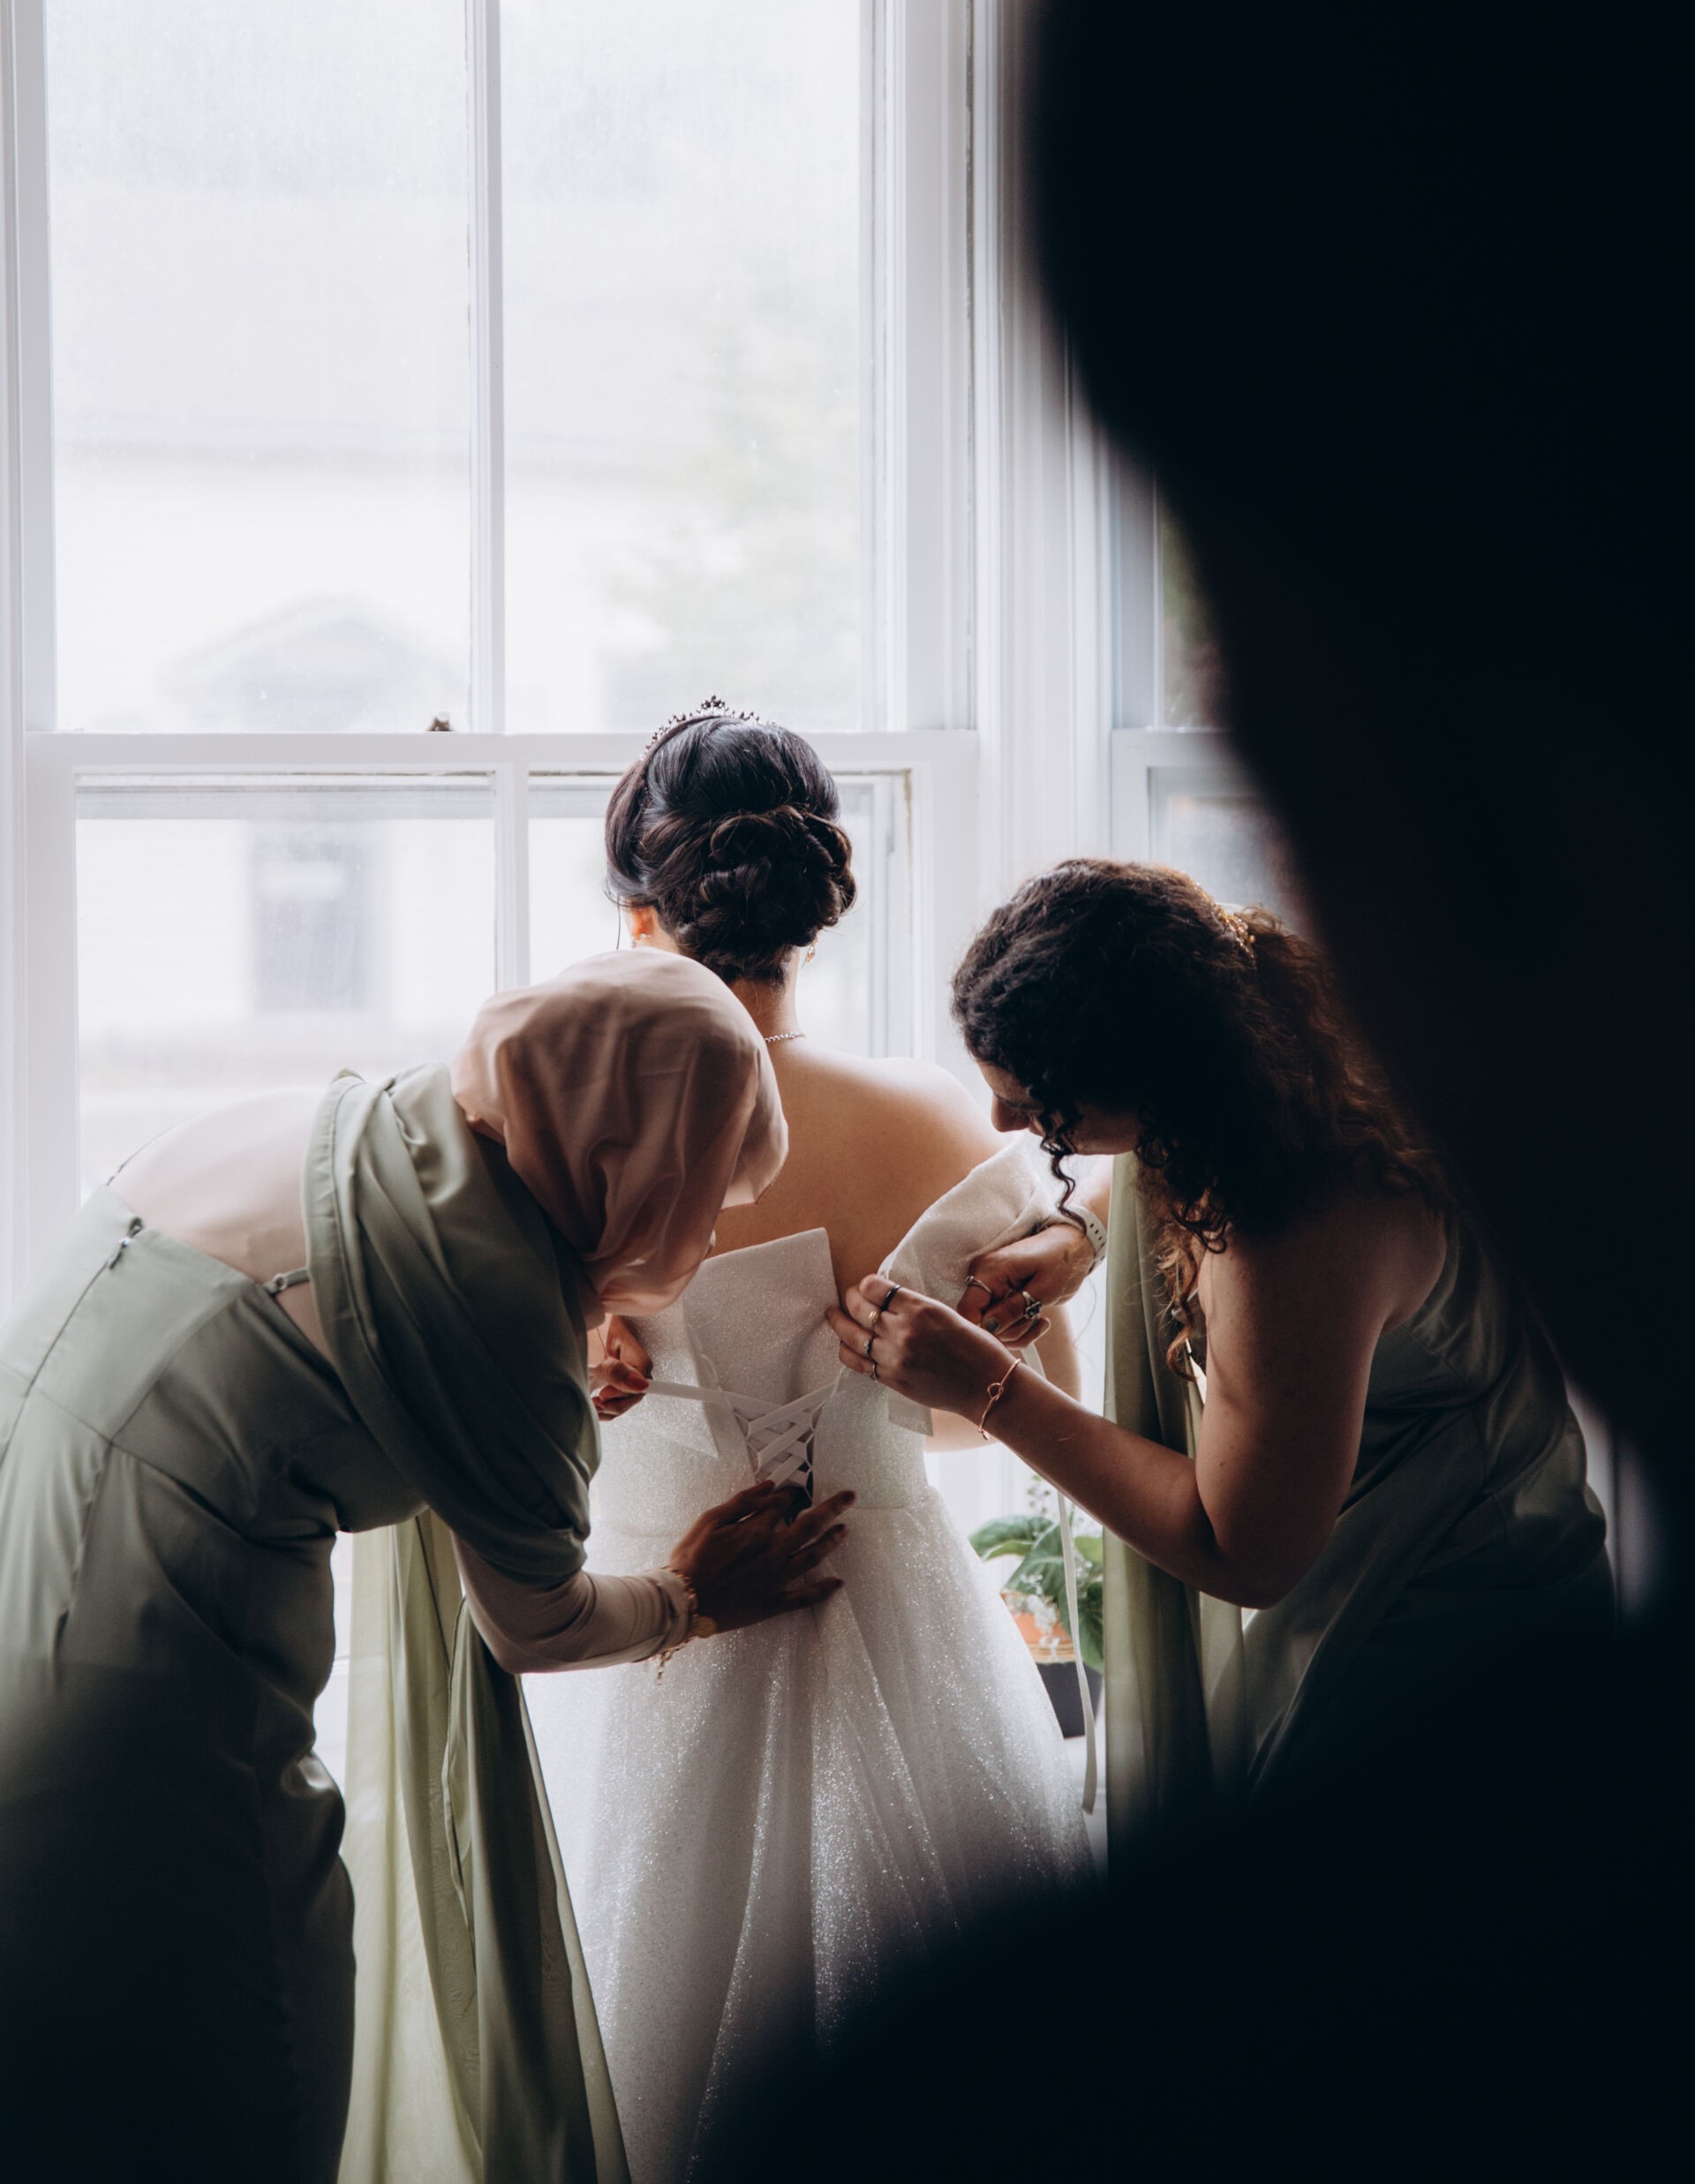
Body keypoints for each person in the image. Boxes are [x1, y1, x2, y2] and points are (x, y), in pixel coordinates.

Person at [0, 950, 851, 2184]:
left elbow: (343, 1363)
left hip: (22, 1600)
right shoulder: (494, 1311)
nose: (711, 1225)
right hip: (154, 1713)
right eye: (706, 1186)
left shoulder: (338, 1121)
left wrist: (523, 1396)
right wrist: (692, 1598)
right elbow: (536, 1625)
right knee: (254, 2072)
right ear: (637, 1160)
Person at [524, 706, 1092, 2184]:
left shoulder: (559, 1131)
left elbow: (492, 1422)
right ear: (815, 912)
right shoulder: (935, 1119)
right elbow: (1002, 1425)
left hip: (651, 1642)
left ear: (641, 914)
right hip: (898, 1624)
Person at [832, 860, 1613, 1825]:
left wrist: (991, 1388)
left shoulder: (1292, 1227)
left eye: (1043, 1100)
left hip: (1448, 1642)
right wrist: (1082, 1236)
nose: (1002, 1119)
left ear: (1152, 1078)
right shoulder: (1266, 1030)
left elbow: (1242, 1550)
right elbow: (1164, 1155)